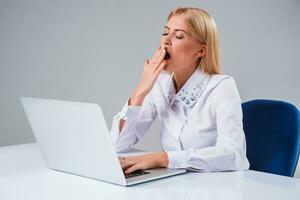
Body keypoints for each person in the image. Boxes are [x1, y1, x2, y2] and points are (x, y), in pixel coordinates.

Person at [110, 7, 250, 174]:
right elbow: (118, 145)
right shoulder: (160, 85)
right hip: (175, 184)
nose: (165, 41)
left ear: (201, 51)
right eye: (165, 33)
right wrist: (140, 91)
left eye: (178, 36)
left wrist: (162, 159)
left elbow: (234, 155)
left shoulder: (221, 86)